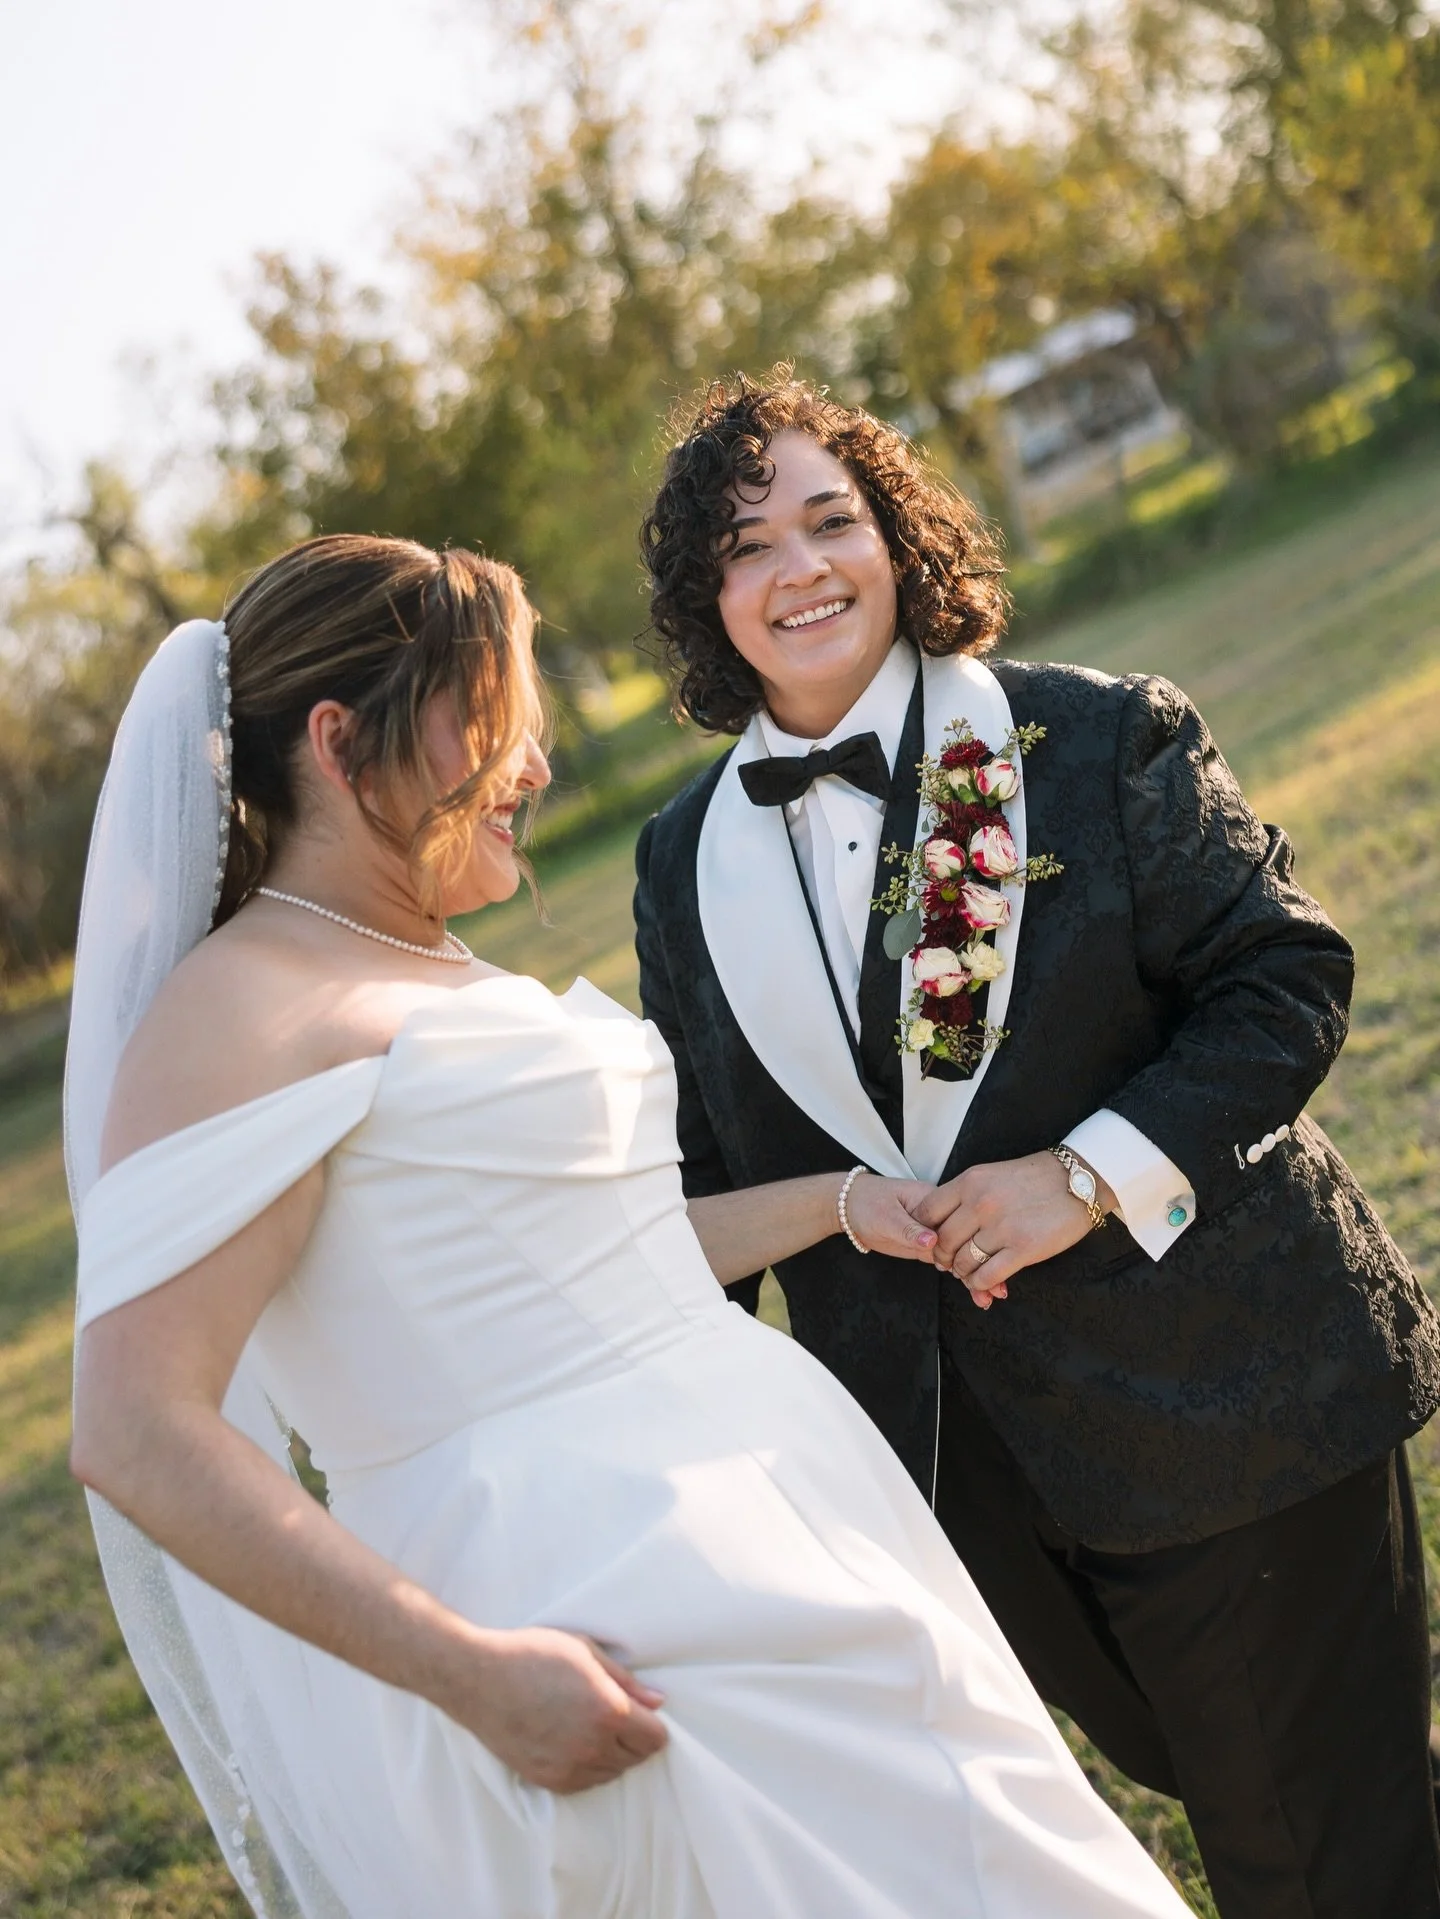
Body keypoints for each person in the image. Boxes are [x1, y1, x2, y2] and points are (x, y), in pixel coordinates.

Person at [66, 532, 1191, 1919]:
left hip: (774, 1509)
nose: (534, 764)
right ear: (339, 739)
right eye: (493, 721)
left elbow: (599, 1268)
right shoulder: (235, 1014)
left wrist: (839, 1206)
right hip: (582, 1600)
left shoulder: (417, 951)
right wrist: (473, 1672)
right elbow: (135, 1429)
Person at [633, 370, 1440, 1919]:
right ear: (705, 597)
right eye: (747, 546)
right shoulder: (681, 861)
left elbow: (1285, 981)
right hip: (964, 1492)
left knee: (1314, 1855)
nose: (800, 569)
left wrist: (1085, 1175)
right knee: (1312, 1806)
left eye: (831, 520)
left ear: (896, 537)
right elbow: (702, 1176)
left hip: (1229, 1402)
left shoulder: (1091, 737)